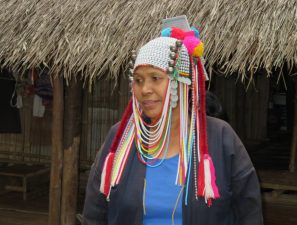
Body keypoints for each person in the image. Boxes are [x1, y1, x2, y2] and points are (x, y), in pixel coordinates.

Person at [82, 25, 263, 225]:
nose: (145, 89)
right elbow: (95, 212)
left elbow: (249, 213)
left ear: (182, 83)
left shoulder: (220, 137)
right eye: (138, 80)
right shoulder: (121, 137)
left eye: (155, 78)